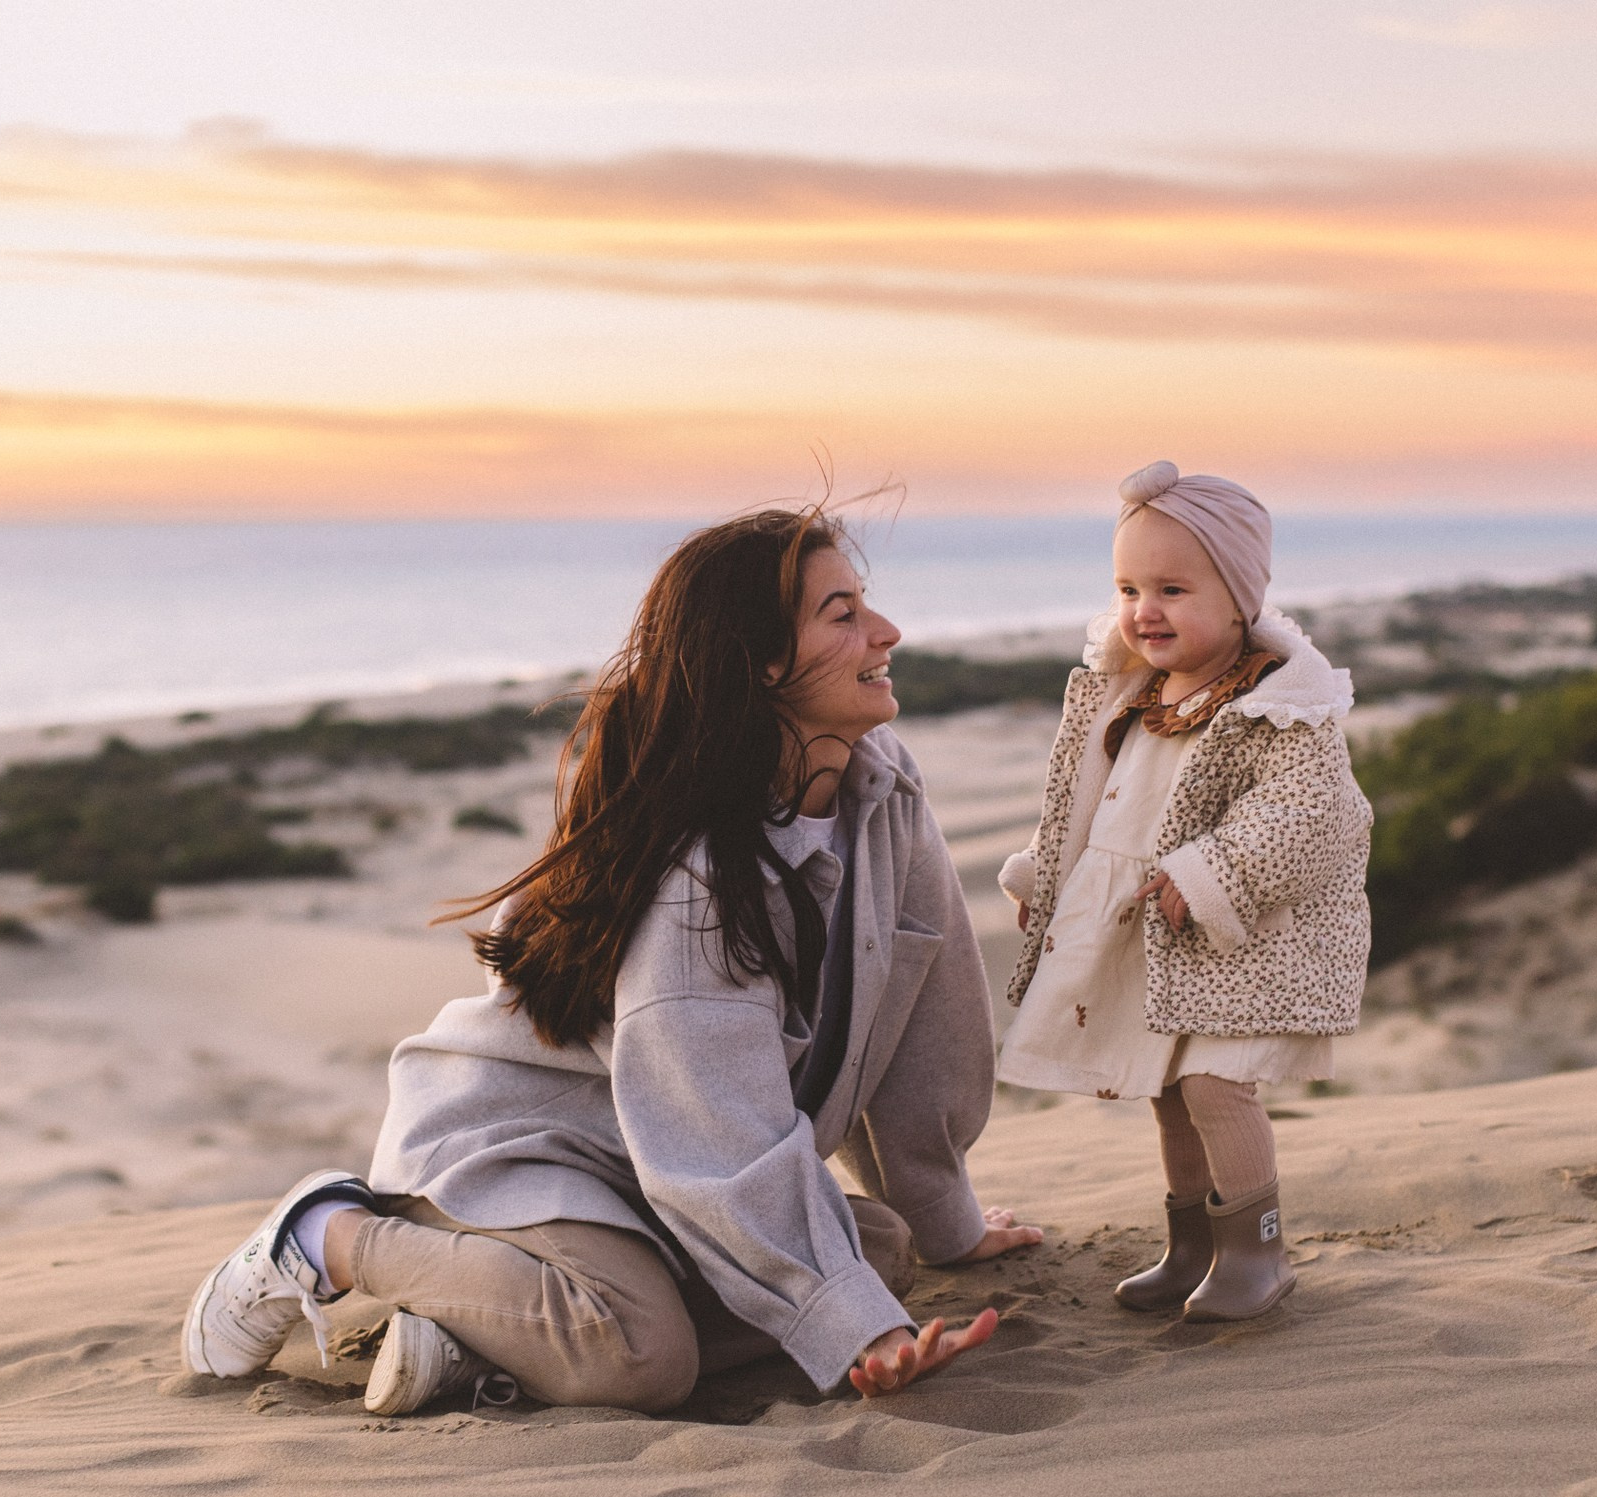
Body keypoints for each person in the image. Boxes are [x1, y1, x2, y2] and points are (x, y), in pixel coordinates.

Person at [182, 508, 1042, 1415]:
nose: (885, 632)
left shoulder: (883, 782)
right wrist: (864, 1332)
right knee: (641, 1356)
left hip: (659, 1173)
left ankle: (481, 1332)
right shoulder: (701, 878)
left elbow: (924, 1022)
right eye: (842, 614)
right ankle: (325, 1235)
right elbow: (720, 1135)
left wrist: (947, 1224)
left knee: (880, 1249)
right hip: (523, 1151)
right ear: (764, 662)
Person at [995, 461, 1371, 1322]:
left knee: (1215, 1086)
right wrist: (1040, 876)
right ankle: (1192, 1244)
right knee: (1166, 1088)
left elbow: (1305, 816)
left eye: (1172, 587)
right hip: (1149, 936)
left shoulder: (1285, 708)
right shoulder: (1128, 692)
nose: (1144, 610)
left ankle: (1256, 1250)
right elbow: (1081, 806)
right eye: (1128, 587)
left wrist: (1212, 874)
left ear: (1240, 599)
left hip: (1243, 939)